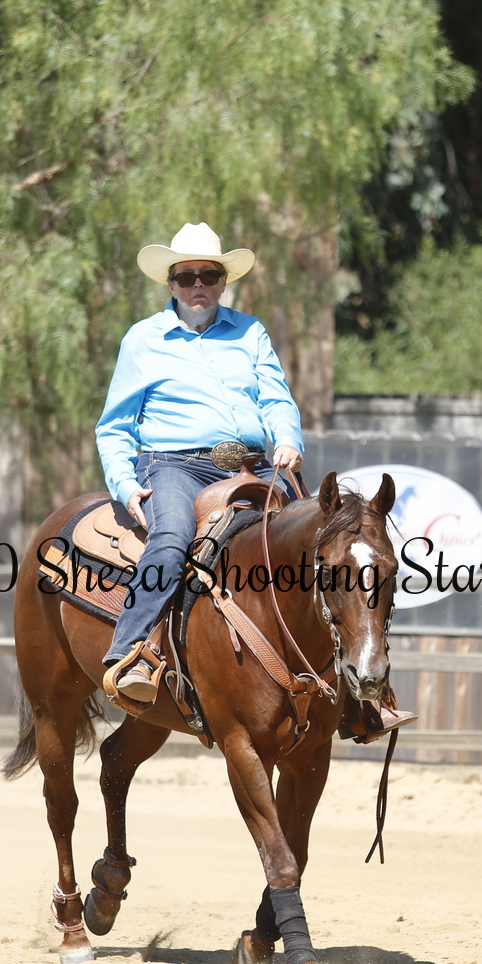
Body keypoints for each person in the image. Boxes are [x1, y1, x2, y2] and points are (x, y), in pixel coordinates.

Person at [95, 223, 303, 703]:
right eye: (186, 277)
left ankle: (360, 693)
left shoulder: (251, 331)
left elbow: (276, 399)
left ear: (223, 281)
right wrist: (124, 484)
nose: (198, 286)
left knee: (319, 536)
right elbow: (114, 426)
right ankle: (132, 652)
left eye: (208, 275)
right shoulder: (142, 339)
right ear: (170, 284)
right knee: (171, 537)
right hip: (175, 466)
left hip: (254, 464)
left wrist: (289, 439)